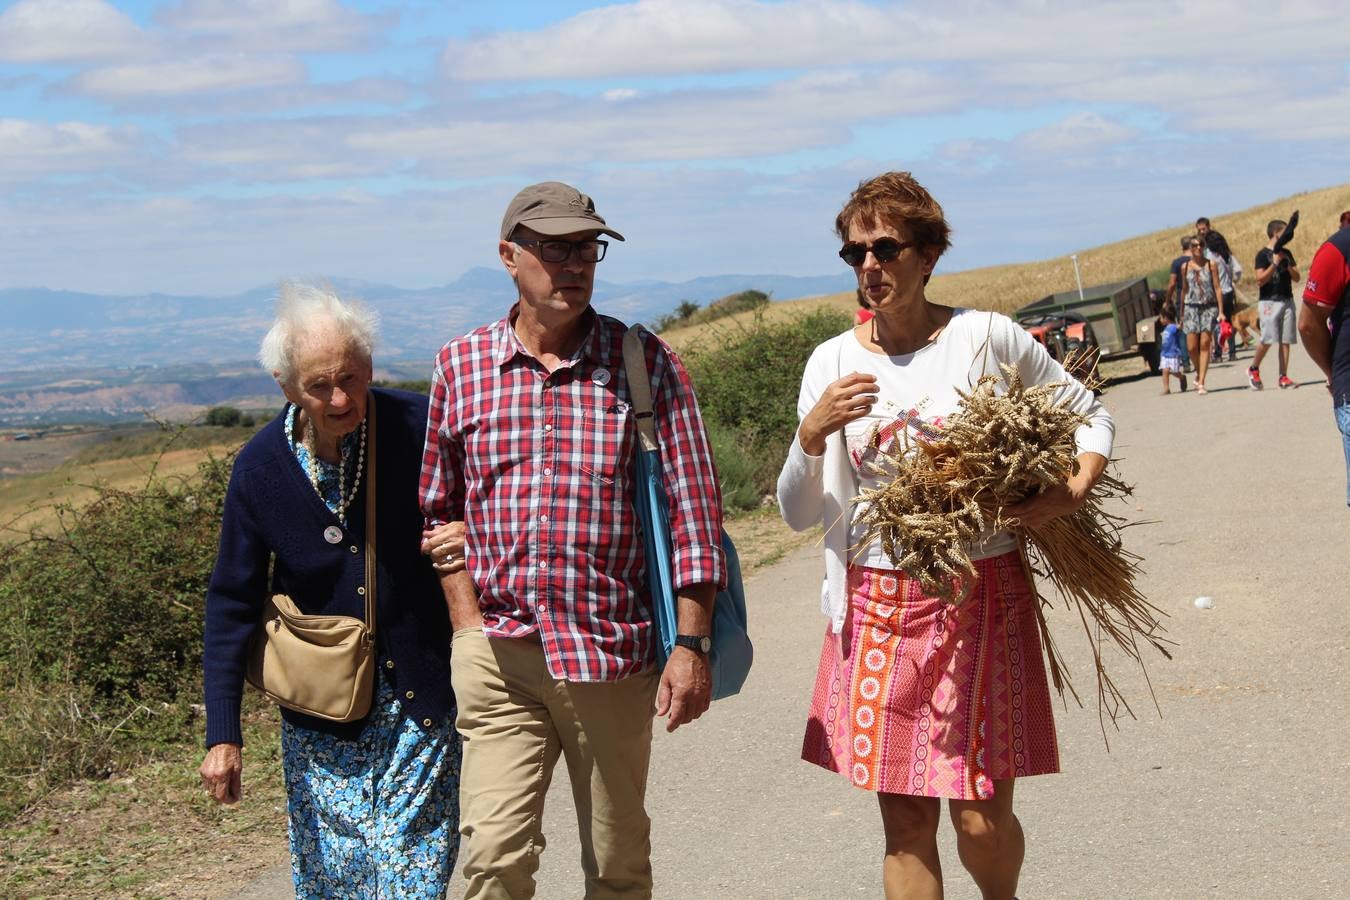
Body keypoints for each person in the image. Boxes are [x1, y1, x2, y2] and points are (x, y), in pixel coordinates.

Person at [777, 172, 1114, 900]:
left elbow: (1088, 413)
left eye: (886, 248)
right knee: (904, 824)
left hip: (978, 594)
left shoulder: (985, 339)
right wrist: (810, 435)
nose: (869, 265)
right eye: (854, 252)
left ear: (928, 255)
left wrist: (1074, 485)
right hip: (871, 605)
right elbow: (798, 514)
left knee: (979, 819)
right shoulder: (832, 363)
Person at [420, 181, 726, 898]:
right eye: (554, 248)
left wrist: (691, 644)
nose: (575, 264)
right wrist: (466, 626)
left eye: (587, 248)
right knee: (493, 859)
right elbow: (437, 510)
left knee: (617, 865)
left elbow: (694, 513)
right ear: (508, 255)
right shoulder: (461, 367)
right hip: (499, 657)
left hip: (609, 655)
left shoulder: (642, 363)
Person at [199, 284, 463, 896]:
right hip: (320, 712)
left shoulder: (420, 427)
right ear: (285, 384)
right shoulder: (261, 467)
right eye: (320, 385)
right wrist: (223, 732)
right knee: (338, 880)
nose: (340, 398)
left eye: (351, 376)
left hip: (421, 697)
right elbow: (231, 599)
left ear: (370, 364)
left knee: (408, 875)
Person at [1297, 212, 1350, 504]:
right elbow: (1308, 323)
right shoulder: (1339, 250)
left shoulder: (1338, 249)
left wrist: (1333, 372)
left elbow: (1308, 323)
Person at [1249, 219, 1302, 390]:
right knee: (1267, 338)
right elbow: (1260, 280)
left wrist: (1287, 266)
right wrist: (1275, 264)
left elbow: (1297, 278)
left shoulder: (1287, 252)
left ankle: (1283, 376)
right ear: (1276, 234)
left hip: (1287, 299)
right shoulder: (1262, 255)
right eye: (1285, 232)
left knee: (1285, 339)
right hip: (1269, 301)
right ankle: (1253, 368)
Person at [1179, 234, 1224, 394]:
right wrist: (1181, 313)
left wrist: (1221, 311)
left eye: (1201, 245)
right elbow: (1184, 290)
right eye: (1195, 245)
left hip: (1208, 307)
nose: (1198, 248)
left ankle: (1202, 381)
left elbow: (1217, 287)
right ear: (1190, 248)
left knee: (1205, 343)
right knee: (1191, 347)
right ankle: (1199, 371)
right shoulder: (1185, 267)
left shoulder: (1211, 265)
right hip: (1191, 307)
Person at [1204, 230, 1240, 361]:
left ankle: (1218, 354)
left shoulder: (1210, 257)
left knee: (1216, 324)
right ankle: (1232, 353)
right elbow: (1238, 270)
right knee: (1229, 322)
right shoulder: (1228, 256)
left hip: (1216, 294)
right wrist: (1233, 281)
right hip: (1229, 292)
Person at [1164, 235, 1194, 371]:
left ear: (1182, 247)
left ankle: (1186, 362)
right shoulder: (1196, 261)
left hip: (1182, 301)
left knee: (1182, 331)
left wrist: (1167, 299)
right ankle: (1199, 359)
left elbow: (1172, 284)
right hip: (1197, 299)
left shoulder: (1176, 263)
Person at [1158, 303, 1186, 394]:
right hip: (1165, 354)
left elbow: (1179, 327)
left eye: (1161, 317)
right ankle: (1166, 388)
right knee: (1165, 370)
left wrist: (1180, 324)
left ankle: (1181, 377)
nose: (1160, 320)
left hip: (1173, 354)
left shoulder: (1173, 327)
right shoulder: (1166, 328)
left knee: (1174, 371)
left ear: (1166, 318)